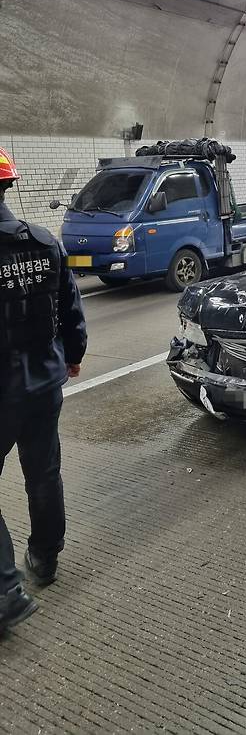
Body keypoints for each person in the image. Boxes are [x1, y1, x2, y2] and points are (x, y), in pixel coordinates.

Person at [0, 149, 86, 636]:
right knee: (44, 472)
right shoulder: (42, 242)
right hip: (43, 384)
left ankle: (5, 591)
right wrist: (71, 355)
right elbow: (70, 310)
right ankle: (45, 557)